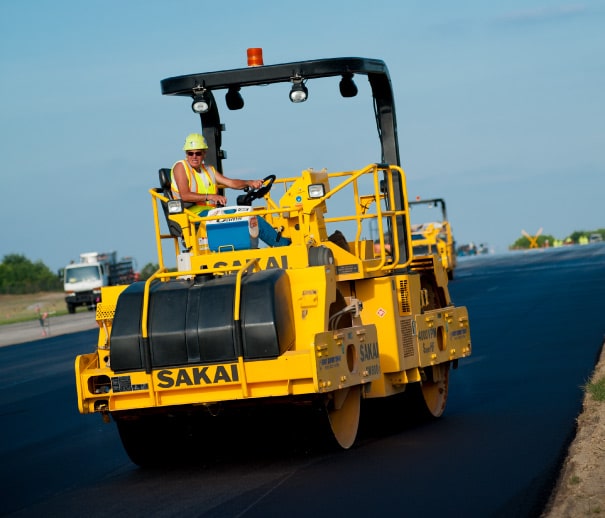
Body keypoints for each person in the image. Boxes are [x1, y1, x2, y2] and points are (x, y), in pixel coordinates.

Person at [171, 133, 289, 247]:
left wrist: (250, 182)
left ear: (204, 153)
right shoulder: (181, 167)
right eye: (190, 153)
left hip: (211, 215)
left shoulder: (208, 170)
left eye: (198, 153)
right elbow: (185, 195)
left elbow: (231, 183)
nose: (194, 156)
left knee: (250, 214)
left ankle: (271, 244)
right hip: (193, 216)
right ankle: (283, 246)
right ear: (186, 154)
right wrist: (210, 196)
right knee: (252, 218)